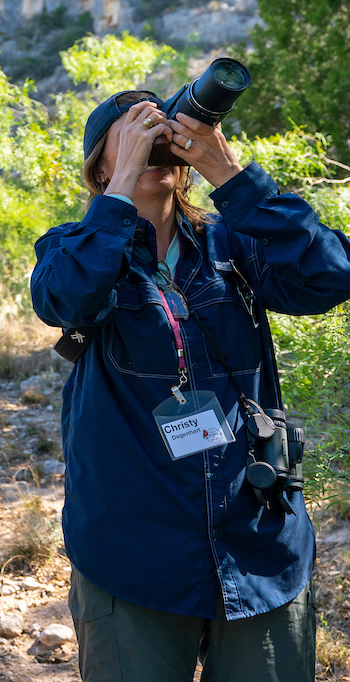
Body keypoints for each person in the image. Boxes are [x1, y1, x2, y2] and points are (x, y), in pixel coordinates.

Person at [30, 90, 350, 682]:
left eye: (161, 136)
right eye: (131, 137)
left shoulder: (236, 244)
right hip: (135, 551)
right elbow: (66, 297)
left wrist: (226, 171)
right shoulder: (72, 248)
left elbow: (331, 275)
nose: (154, 147)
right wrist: (122, 185)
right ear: (98, 166)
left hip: (257, 542)